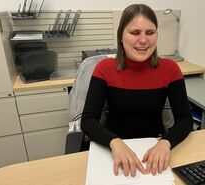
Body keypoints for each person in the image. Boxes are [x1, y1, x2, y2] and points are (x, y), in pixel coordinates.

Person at [81, 4, 193, 177]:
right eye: (135, 33)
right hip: (113, 146)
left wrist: (166, 143)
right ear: (121, 36)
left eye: (150, 32)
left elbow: (185, 119)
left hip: (154, 146)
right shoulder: (104, 69)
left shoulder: (170, 69)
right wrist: (115, 143)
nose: (143, 40)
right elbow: (88, 121)